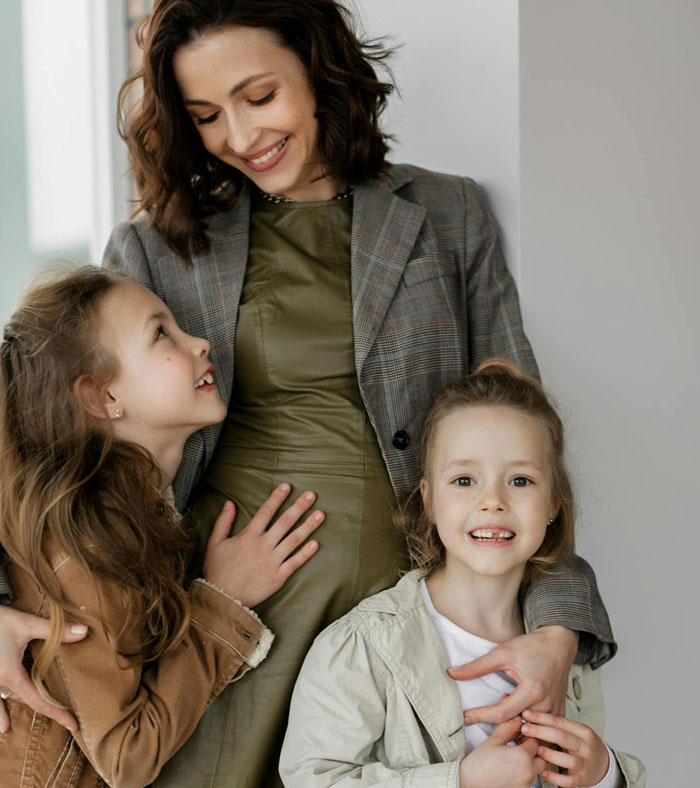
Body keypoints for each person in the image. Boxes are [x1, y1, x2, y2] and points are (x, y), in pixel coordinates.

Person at [0, 2, 615, 786]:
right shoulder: (156, 247)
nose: (240, 136)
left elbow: (528, 442)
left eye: (259, 97)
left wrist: (560, 625)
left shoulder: (449, 216)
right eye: (207, 116)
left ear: (318, 67)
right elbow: (38, 434)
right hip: (233, 626)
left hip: (408, 636)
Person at [0, 266, 325, 786]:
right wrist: (223, 599)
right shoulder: (89, 547)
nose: (200, 343)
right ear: (104, 398)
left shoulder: (136, 512)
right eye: (161, 333)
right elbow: (125, 758)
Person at [280, 360, 646, 788]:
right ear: (429, 499)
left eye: (522, 481)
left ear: (554, 504)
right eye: (465, 480)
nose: (492, 501)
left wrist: (605, 774)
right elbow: (313, 779)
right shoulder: (364, 646)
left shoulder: (569, 657)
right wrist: (460, 780)